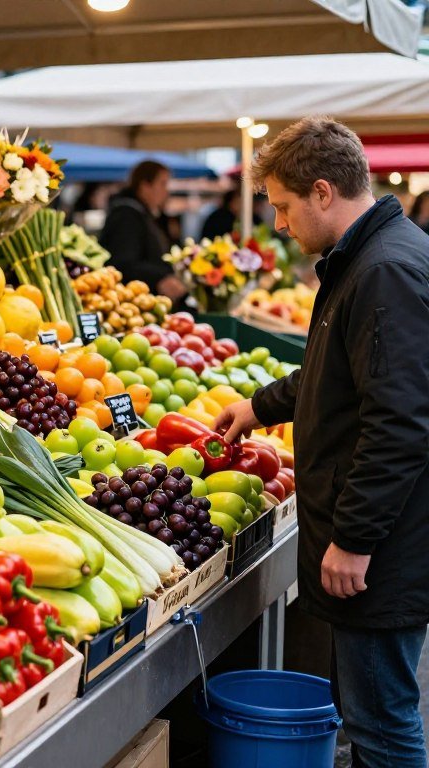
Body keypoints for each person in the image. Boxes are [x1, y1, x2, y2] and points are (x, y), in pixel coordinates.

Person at [214, 117, 429, 768]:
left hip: (386, 550)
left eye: (282, 207)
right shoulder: (375, 256)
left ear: (323, 191)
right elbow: (339, 370)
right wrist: (259, 406)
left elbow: (399, 421)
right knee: (375, 715)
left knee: (384, 723)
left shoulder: (384, 269)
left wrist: (356, 539)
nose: (280, 225)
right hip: (388, 539)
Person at [98, 161, 186, 300]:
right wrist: (159, 277)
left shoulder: (148, 215)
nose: (166, 191)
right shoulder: (126, 216)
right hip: (130, 300)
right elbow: (123, 263)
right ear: (145, 186)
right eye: (162, 184)